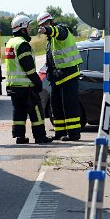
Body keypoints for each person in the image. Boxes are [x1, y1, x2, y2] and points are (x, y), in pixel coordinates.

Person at [5, 14, 53, 144]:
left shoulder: (10, 43)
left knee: (19, 112)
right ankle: (40, 137)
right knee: (36, 111)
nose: (30, 29)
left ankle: (20, 137)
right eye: (28, 26)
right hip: (26, 86)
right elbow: (28, 67)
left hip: (14, 86)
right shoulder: (22, 44)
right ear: (23, 28)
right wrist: (37, 82)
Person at [37, 13, 83, 141]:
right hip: (57, 78)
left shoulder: (62, 30)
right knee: (56, 106)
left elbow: (59, 32)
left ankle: (74, 134)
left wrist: (48, 29)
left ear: (50, 22)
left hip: (69, 75)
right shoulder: (50, 40)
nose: (43, 28)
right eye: (41, 26)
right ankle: (60, 132)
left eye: (44, 25)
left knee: (69, 105)